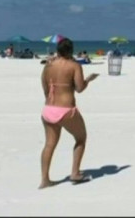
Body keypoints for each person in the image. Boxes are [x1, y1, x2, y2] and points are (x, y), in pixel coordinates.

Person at [39, 38, 99, 189]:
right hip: (66, 110)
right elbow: (79, 88)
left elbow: (45, 89)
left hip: (48, 109)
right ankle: (75, 173)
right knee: (81, 139)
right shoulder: (74, 66)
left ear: (58, 50)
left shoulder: (48, 66)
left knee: (49, 145)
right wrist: (88, 80)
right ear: (71, 51)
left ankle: (45, 180)